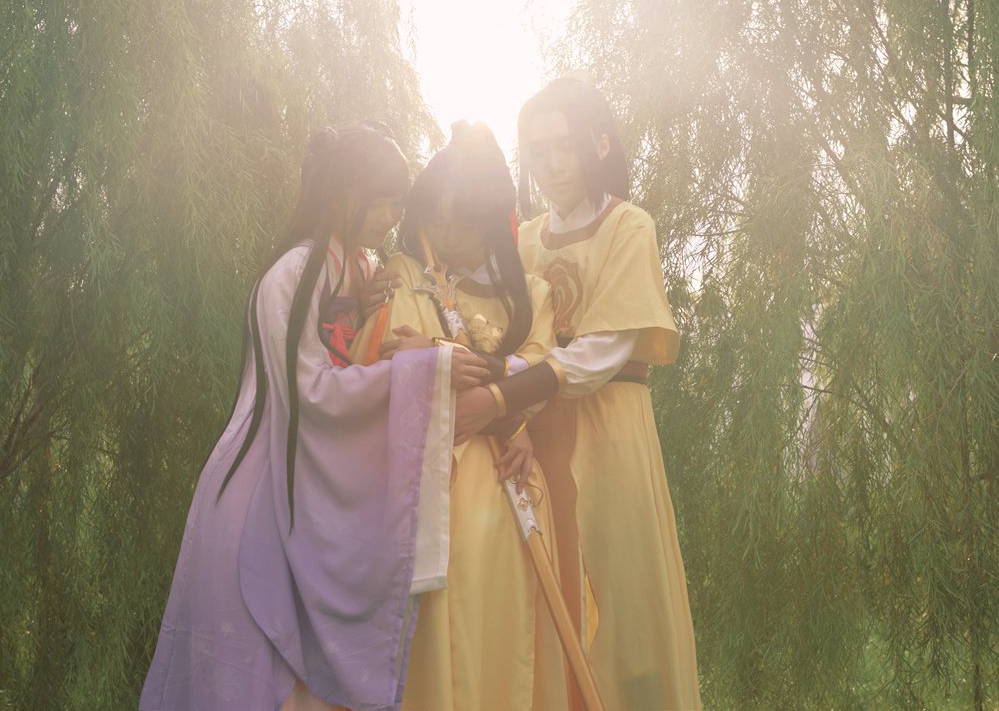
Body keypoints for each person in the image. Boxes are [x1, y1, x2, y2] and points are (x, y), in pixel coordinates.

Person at [140, 122, 490, 711]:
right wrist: (419, 370)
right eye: (379, 200)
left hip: (298, 486)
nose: (390, 215)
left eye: (397, 201)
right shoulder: (294, 272)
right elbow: (312, 394)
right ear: (337, 194)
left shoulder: (353, 267)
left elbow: (345, 359)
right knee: (250, 679)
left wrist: (376, 327)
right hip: (260, 487)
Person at [453, 78, 702, 710]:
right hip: (533, 437)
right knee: (543, 593)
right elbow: (488, 321)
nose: (551, 163)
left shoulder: (628, 226)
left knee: (623, 604)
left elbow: (602, 351)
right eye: (537, 151)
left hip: (609, 428)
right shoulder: (524, 241)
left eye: (563, 145)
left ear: (600, 144)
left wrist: (503, 400)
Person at [352, 121, 569, 711]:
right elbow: (387, 358)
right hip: (424, 485)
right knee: (431, 643)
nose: (446, 234)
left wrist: (501, 400)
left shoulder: (532, 293)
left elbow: (543, 371)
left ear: (493, 221)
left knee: (501, 645)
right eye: (437, 217)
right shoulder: (403, 273)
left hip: (508, 487)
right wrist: (493, 386)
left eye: (463, 221)